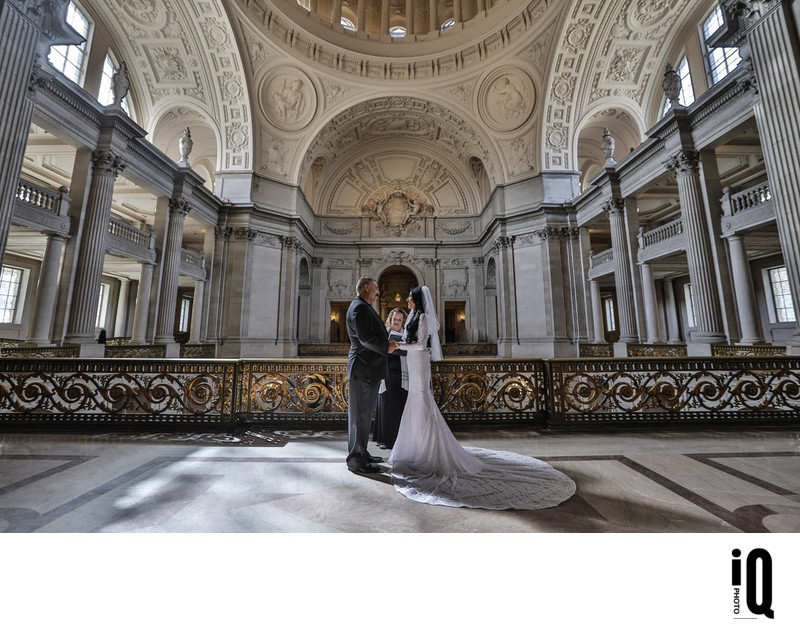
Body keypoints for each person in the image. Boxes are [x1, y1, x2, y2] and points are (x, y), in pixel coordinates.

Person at [389, 286, 576, 510]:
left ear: (417, 299)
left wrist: (398, 345)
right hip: (412, 361)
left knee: (422, 400)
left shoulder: (422, 318)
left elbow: (421, 344)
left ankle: (429, 452)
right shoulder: (412, 315)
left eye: (410, 296)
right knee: (415, 403)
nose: (407, 299)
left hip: (419, 361)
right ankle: (415, 449)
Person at [345, 277, 398, 474]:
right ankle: (356, 460)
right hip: (363, 369)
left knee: (364, 416)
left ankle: (362, 453)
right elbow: (366, 338)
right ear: (366, 287)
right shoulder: (359, 308)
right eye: (375, 288)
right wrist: (387, 347)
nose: (378, 292)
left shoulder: (362, 306)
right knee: (360, 416)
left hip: (367, 369)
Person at [373, 308, 408, 450]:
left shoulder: (405, 335)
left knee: (398, 405)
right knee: (386, 404)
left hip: (401, 372)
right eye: (395, 319)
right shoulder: (384, 332)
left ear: (403, 322)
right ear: (390, 319)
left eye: (399, 320)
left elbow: (409, 352)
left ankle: (398, 439)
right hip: (386, 372)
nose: (396, 322)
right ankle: (385, 440)